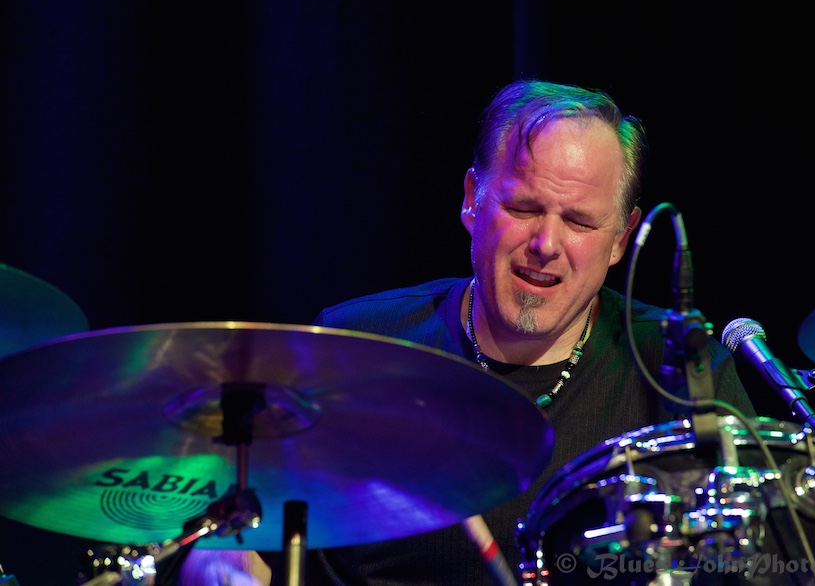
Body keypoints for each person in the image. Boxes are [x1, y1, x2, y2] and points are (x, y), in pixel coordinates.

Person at [300, 79, 756, 584]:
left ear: (621, 239)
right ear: (473, 199)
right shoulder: (356, 347)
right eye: (523, 208)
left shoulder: (684, 376)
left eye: (580, 222)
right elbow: (252, 524)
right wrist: (224, 560)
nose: (546, 244)